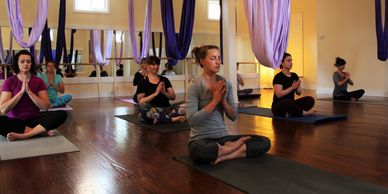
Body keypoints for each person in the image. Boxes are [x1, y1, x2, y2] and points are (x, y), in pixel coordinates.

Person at [186, 45, 271, 165]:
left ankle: (225, 154)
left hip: (223, 138)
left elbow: (233, 116)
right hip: (201, 140)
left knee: (264, 142)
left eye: (219, 58)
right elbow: (192, 121)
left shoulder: (226, 83)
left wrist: (223, 101)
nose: (217, 62)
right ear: (202, 61)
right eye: (213, 58)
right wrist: (215, 101)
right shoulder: (194, 85)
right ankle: (234, 149)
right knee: (200, 151)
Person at [0, 50, 67, 141]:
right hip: (14, 120)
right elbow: (3, 110)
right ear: (17, 63)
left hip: (34, 119)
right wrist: (21, 93)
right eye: (22, 61)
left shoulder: (38, 81)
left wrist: (29, 92)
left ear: (31, 64)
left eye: (28, 61)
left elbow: (46, 107)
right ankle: (39, 131)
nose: (25, 64)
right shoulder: (9, 82)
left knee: (62, 114)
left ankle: (24, 135)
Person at [136, 55, 185, 124]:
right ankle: (171, 119)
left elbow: (173, 97)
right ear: (148, 66)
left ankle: (161, 118)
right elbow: (141, 101)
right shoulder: (143, 82)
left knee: (185, 106)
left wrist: (164, 93)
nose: (156, 67)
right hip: (152, 110)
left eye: (157, 64)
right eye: (153, 65)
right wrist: (155, 93)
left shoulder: (164, 79)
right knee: (144, 107)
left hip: (166, 109)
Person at [271, 53, 316, 117]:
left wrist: (297, 86)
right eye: (288, 61)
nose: (291, 63)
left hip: (291, 104)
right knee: (287, 101)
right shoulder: (278, 77)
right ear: (282, 63)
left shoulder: (294, 75)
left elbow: (299, 92)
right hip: (279, 107)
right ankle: (303, 113)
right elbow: (279, 94)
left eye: (291, 61)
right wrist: (292, 87)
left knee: (310, 100)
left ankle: (291, 112)